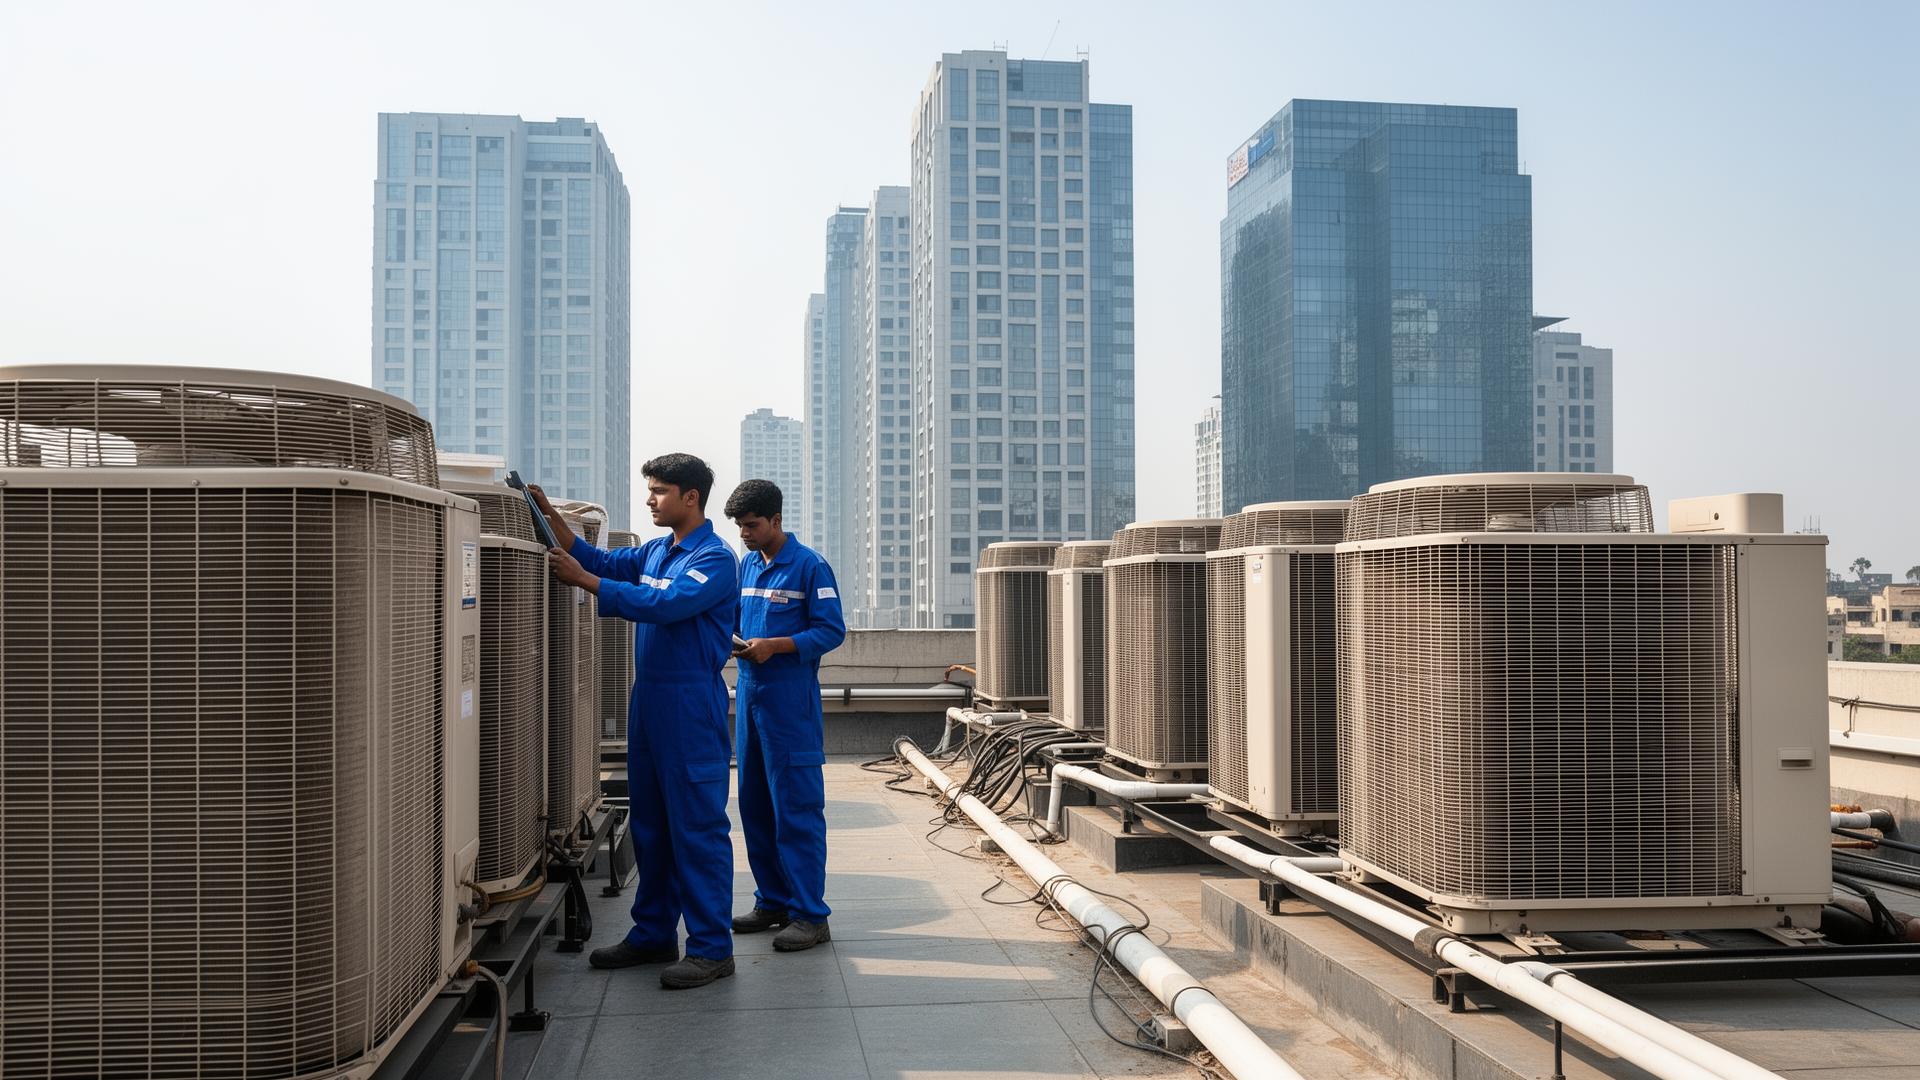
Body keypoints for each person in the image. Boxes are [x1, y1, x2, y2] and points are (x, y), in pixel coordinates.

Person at [533, 454, 740, 989]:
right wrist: (549, 518)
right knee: (650, 827)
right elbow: (599, 561)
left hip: (691, 704)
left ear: (691, 497)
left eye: (659, 491)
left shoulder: (714, 559)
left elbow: (665, 603)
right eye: (649, 490)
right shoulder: (655, 551)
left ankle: (713, 948)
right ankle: (652, 934)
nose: (649, 499)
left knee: (696, 828)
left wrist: (584, 580)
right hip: (649, 700)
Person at [724, 479, 846, 951]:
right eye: (740, 527)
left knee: (796, 811)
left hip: (790, 703)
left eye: (752, 526)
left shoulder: (810, 566)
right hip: (750, 699)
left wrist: (777, 645)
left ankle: (810, 915)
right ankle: (772, 901)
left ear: (776, 520)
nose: (745, 535)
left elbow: (832, 630)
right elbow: (734, 619)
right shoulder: (747, 566)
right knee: (754, 807)